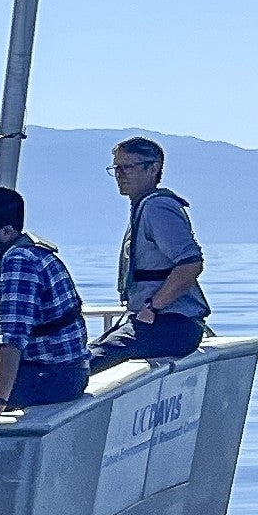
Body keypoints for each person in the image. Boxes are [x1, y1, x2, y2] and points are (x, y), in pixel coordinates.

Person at [0, 186, 91, 410]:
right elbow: (32, 333)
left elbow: (13, 338)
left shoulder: (19, 262)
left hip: (51, 376)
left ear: (7, 232)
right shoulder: (31, 252)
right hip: (67, 372)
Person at [97, 136, 210, 363]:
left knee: (88, 361)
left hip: (170, 323)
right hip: (159, 321)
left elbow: (190, 264)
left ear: (153, 168)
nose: (120, 174)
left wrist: (152, 307)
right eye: (116, 168)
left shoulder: (157, 207)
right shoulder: (143, 206)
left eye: (128, 167)